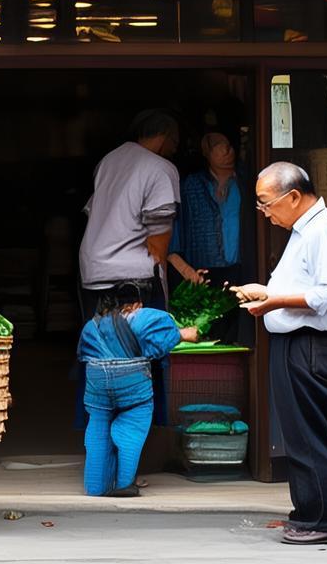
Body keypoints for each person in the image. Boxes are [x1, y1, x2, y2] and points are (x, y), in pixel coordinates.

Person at [233, 162, 327, 545]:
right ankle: (308, 513)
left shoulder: (324, 231)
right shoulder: (306, 231)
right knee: (298, 434)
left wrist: (271, 301)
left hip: (310, 344)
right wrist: (267, 292)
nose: (265, 212)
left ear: (294, 197)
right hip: (297, 343)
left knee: (307, 434)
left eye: (267, 203)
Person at [79, 282, 197, 497]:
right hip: (131, 379)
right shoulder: (146, 317)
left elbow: (83, 354)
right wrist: (184, 333)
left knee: (97, 426)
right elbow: (163, 343)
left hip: (96, 378)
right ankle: (124, 484)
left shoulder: (92, 325)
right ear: (137, 304)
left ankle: (95, 487)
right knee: (133, 424)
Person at [78, 108, 182, 318]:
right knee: (141, 344)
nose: (174, 150)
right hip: (131, 278)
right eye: (175, 143)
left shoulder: (108, 161)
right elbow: (157, 245)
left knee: (100, 342)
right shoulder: (161, 168)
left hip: (92, 270)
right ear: (164, 137)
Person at [166, 131, 257, 345]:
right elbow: (174, 227)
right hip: (200, 274)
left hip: (240, 269)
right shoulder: (190, 185)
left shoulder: (245, 183)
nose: (227, 149)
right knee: (203, 332)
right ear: (205, 152)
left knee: (236, 331)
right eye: (218, 144)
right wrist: (185, 269)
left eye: (229, 144)